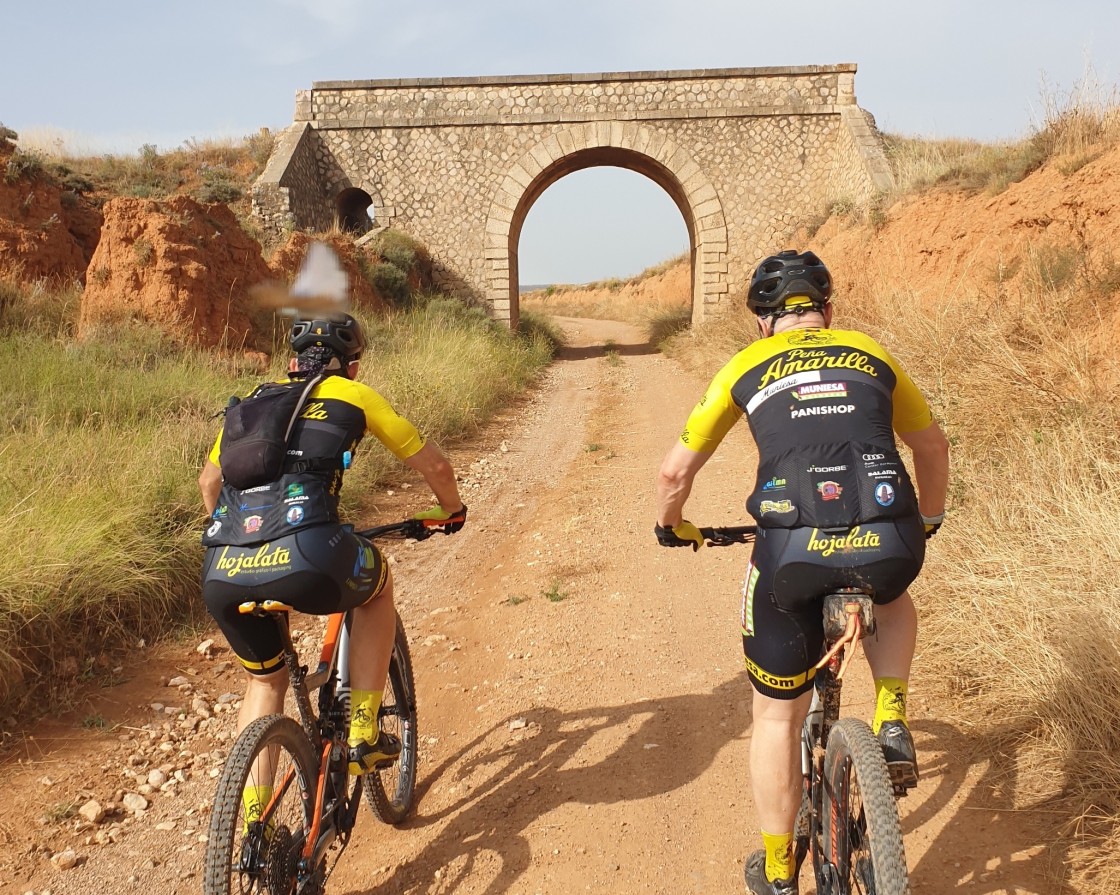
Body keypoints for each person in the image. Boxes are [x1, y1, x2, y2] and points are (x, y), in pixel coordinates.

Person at [654, 250, 949, 895]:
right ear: (828, 310)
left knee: (775, 719)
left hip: (792, 550)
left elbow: (675, 472)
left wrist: (670, 524)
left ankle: (781, 872)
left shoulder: (745, 364)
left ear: (763, 322)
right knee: (893, 594)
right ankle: (891, 717)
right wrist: (925, 522)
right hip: (890, 536)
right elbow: (932, 446)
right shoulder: (870, 352)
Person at [199, 309, 466, 815]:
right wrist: (451, 511)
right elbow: (435, 465)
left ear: (291, 362)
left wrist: (241, 545)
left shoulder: (253, 403)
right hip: (310, 553)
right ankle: (364, 731)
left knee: (265, 681)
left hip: (223, 570)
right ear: (354, 366)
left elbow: (209, 485)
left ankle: (255, 823)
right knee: (378, 585)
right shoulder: (353, 394)